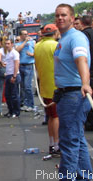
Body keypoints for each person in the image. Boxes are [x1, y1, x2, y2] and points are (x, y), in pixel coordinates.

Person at [53, 3, 93, 180]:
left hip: (75, 95)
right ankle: (84, 177)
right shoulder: (63, 38)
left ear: (72, 18)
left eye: (64, 15)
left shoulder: (76, 38)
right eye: (57, 15)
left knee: (69, 141)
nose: (60, 18)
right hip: (66, 95)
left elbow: (81, 60)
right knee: (77, 140)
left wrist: (85, 83)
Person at [34, 24, 60, 157]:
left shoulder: (37, 46)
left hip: (45, 86)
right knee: (56, 117)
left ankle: (52, 144)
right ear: (55, 33)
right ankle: (56, 145)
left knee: (51, 117)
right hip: (56, 86)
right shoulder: (55, 46)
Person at [15, 29, 35, 111]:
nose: (26, 35)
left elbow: (37, 51)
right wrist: (24, 42)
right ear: (20, 36)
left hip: (29, 65)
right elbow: (17, 50)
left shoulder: (32, 42)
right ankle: (24, 103)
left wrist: (32, 54)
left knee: (27, 86)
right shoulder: (18, 44)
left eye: (27, 34)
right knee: (22, 86)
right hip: (21, 65)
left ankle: (30, 104)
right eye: (24, 34)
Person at [3, 38, 20, 118]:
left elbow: (16, 64)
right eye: (6, 44)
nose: (7, 45)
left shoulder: (15, 53)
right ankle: (10, 110)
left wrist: (14, 75)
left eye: (8, 44)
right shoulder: (8, 53)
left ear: (12, 44)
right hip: (8, 75)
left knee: (14, 94)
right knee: (7, 94)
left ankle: (16, 111)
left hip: (14, 75)